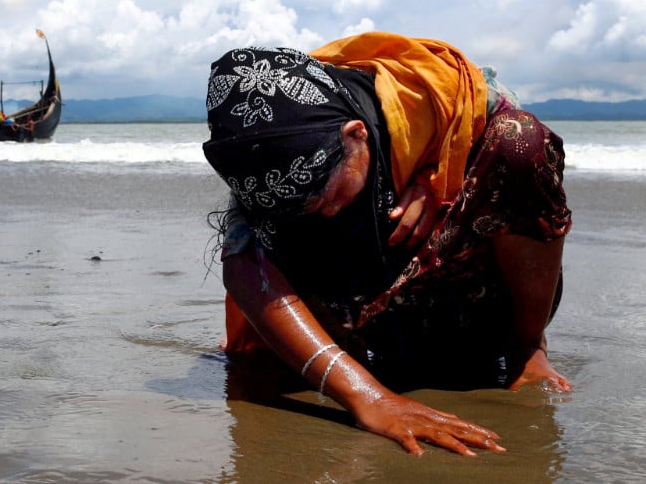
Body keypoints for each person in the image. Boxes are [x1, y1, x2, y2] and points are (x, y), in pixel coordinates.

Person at [203, 33, 572, 457]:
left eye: (322, 196)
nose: (320, 214)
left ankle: (527, 348)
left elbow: (514, 161)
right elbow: (244, 264)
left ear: (356, 135)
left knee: (519, 140)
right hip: (359, 319)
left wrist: (437, 178)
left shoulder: (447, 96)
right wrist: (369, 398)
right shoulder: (268, 151)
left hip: (466, 300)